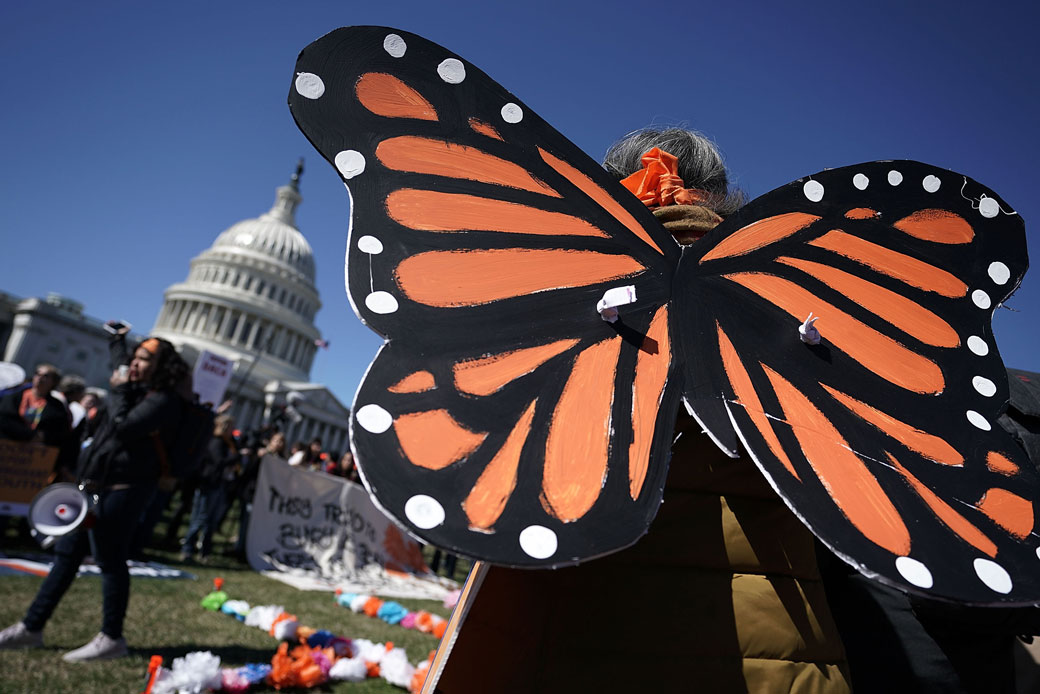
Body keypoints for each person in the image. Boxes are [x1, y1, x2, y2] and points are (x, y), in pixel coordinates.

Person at [0, 335, 188, 661]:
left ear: (160, 367)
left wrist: (118, 391)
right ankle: (31, 626)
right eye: (135, 356)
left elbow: (124, 427)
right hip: (93, 487)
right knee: (66, 555)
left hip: (123, 491)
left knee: (110, 560)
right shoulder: (132, 390)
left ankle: (112, 637)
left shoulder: (163, 401)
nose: (134, 363)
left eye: (143, 359)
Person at [180, 414, 239, 563]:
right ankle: (188, 549)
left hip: (218, 484)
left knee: (210, 521)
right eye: (231, 427)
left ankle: (204, 551)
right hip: (209, 484)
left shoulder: (227, 443)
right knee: (200, 518)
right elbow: (219, 461)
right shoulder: (216, 442)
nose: (233, 430)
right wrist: (236, 457)